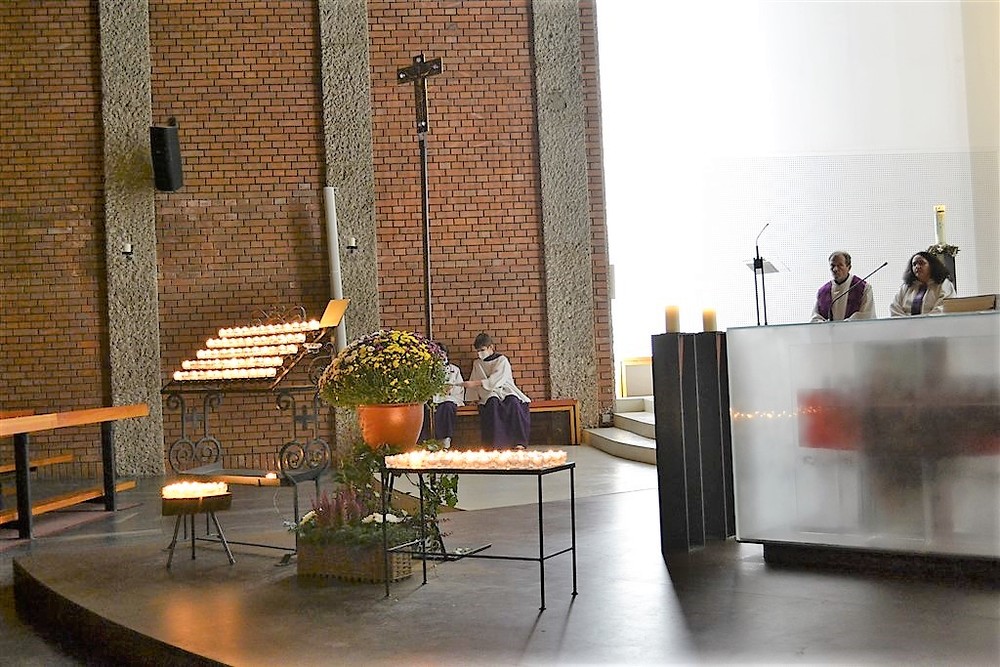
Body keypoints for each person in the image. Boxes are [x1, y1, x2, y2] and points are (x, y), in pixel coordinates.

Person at [462, 332, 531, 448]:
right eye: (478, 351)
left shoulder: (502, 360)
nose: (479, 353)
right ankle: (496, 443)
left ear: (491, 347)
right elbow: (474, 378)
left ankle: (518, 441)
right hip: (489, 392)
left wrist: (475, 383)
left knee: (513, 402)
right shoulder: (477, 363)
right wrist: (472, 399)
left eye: (482, 350)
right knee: (492, 403)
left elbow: (496, 379)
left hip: (505, 389)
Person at [420, 342, 464, 448]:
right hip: (433, 398)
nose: (441, 356)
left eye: (442, 353)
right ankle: (426, 440)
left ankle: (445, 439)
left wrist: (451, 389)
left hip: (448, 397)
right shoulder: (428, 370)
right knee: (426, 408)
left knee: (447, 407)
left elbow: (460, 386)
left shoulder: (454, 370)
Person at [811, 251, 875, 322]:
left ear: (849, 267)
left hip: (853, 329)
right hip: (829, 329)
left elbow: (867, 315)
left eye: (840, 265)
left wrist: (845, 325)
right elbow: (815, 317)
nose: (835, 269)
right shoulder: (823, 292)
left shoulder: (863, 288)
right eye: (832, 266)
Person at [889, 251, 955, 316]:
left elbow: (943, 307)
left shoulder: (944, 284)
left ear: (932, 265)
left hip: (934, 322)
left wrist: (922, 321)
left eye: (921, 263)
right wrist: (907, 321)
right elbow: (895, 307)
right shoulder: (906, 286)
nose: (917, 266)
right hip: (905, 322)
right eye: (914, 264)